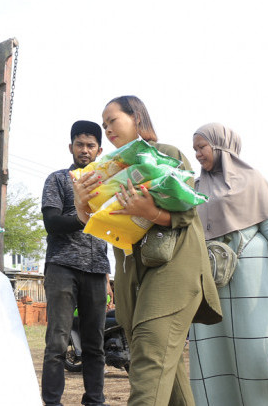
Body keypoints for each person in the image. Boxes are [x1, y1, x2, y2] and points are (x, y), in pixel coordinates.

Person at [72, 95, 222, 406]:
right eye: (104, 125)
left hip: (173, 272)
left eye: (112, 120)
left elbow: (187, 213)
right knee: (166, 371)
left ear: (136, 118)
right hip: (133, 280)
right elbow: (101, 228)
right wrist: (81, 205)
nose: (107, 129)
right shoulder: (105, 172)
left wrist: (150, 210)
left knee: (149, 362)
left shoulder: (166, 155)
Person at [188, 122, 268, 406]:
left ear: (220, 146)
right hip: (211, 279)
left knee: (257, 346)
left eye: (201, 147)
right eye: (194, 149)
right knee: (213, 347)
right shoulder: (194, 187)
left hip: (251, 279)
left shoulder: (252, 180)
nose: (197, 154)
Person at [41, 120, 112, 406]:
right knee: (57, 341)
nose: (85, 150)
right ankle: (52, 402)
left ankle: (95, 400)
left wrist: (107, 276)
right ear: (70, 146)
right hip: (61, 266)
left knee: (95, 343)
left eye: (90, 145)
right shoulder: (58, 179)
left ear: (99, 149)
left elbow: (112, 232)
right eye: (79, 145)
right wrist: (81, 219)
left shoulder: (108, 183)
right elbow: (51, 222)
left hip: (96, 269)